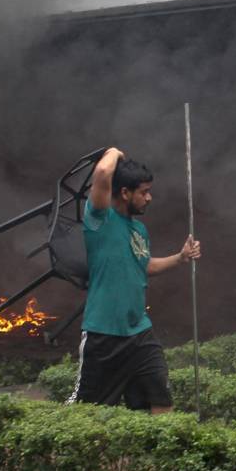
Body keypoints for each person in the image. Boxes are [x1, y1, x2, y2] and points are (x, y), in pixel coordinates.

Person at [67, 146, 201, 413]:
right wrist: (115, 152)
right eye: (144, 192)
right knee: (87, 414)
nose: (149, 198)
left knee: (161, 400)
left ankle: (160, 453)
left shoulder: (139, 229)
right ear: (125, 193)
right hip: (103, 333)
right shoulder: (99, 219)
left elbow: (144, 265)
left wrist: (180, 257)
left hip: (139, 331)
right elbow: (104, 171)